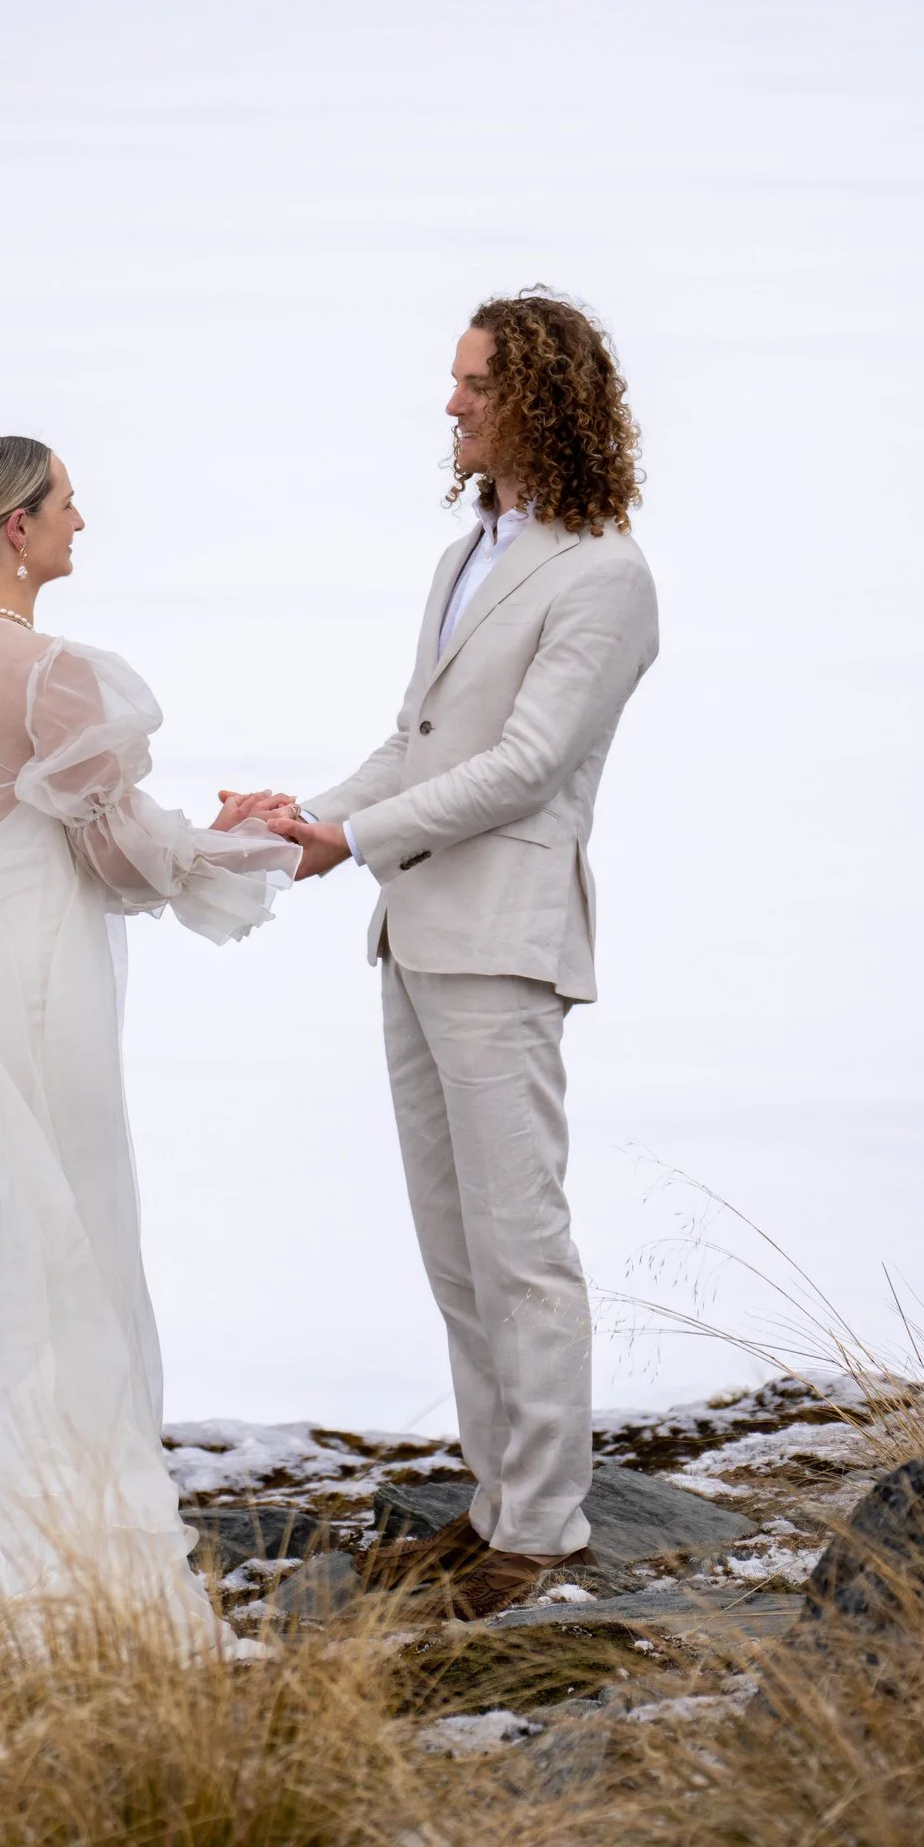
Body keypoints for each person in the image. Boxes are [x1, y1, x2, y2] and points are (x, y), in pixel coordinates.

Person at [222, 291, 657, 1623]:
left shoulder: (605, 576)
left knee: (521, 1242)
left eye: (474, 382)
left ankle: (547, 1530)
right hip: (415, 935)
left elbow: (524, 769)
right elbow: (419, 739)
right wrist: (307, 816)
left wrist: (352, 837)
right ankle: (496, 1509)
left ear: (539, 398)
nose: (452, 402)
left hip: (503, 941)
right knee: (457, 1248)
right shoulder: (471, 551)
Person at [0, 433, 293, 1628]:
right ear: (15, 524)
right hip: (44, 990)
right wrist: (248, 836)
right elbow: (118, 856)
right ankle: (76, 1561)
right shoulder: (52, 674)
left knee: (3, 1244)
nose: (83, 518)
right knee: (74, 1239)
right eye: (66, 500)